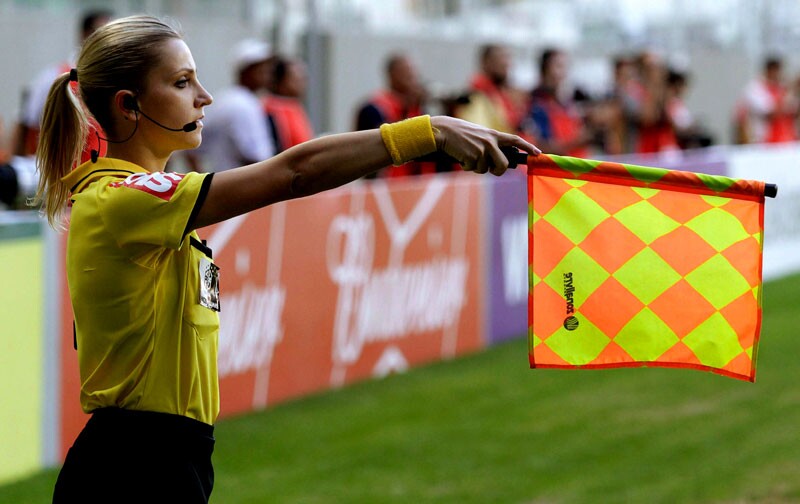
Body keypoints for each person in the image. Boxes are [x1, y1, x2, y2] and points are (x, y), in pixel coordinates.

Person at [33, 15, 537, 503]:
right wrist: (427, 133)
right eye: (183, 83)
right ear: (129, 105)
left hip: (164, 458)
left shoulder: (140, 203)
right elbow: (293, 172)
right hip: (133, 467)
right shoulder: (119, 199)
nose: (204, 96)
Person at [14, 9, 112, 157]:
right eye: (103, 34)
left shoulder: (118, 80)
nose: (110, 42)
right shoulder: (54, 76)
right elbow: (25, 124)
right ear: (85, 35)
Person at [187, 38, 276, 172]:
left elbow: (190, 150)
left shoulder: (230, 99)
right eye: (261, 68)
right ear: (246, 71)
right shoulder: (241, 104)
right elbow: (254, 156)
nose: (267, 73)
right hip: (244, 187)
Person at [354, 53, 432, 177]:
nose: (412, 77)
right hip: (386, 185)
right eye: (406, 72)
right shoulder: (372, 109)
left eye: (414, 72)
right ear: (391, 74)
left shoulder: (417, 107)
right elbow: (377, 148)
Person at [524, 48, 594, 158]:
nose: (563, 73)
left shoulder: (568, 103)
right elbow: (536, 146)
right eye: (558, 66)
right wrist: (577, 142)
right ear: (544, 69)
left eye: (565, 67)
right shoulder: (534, 104)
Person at [455, 44, 527, 136]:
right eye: (500, 58)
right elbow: (478, 134)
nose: (506, 63)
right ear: (485, 62)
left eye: (507, 58)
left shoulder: (502, 94)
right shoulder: (475, 97)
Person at [733, 55, 799, 144]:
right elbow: (771, 113)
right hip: (764, 142)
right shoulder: (754, 89)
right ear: (768, 70)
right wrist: (789, 90)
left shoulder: (782, 87)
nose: (777, 75)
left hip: (788, 140)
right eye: (774, 71)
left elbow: (794, 113)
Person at [263, 56, 314, 153]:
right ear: (280, 80)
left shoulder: (293, 106)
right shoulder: (272, 108)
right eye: (296, 79)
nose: (301, 84)